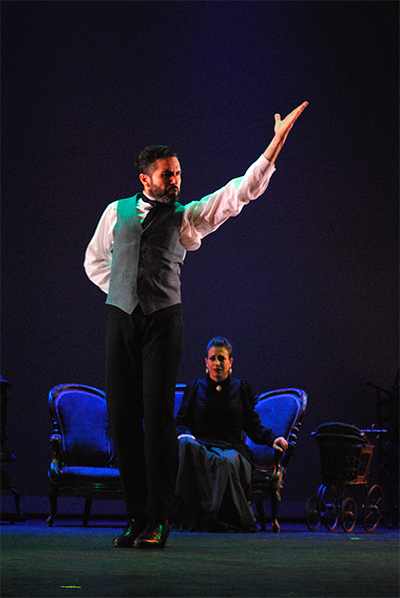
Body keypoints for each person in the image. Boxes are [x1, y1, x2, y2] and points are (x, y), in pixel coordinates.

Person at [84, 101, 308, 549]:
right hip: (121, 319)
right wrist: (127, 290)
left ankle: (159, 518)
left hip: (164, 322)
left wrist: (273, 148)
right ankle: (134, 516)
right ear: (145, 178)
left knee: (157, 420)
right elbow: (94, 263)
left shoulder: (185, 217)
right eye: (168, 174)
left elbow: (234, 196)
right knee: (124, 419)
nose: (176, 181)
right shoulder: (115, 212)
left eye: (179, 173)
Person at [173, 337, 288, 533]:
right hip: (202, 446)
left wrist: (272, 439)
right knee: (185, 446)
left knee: (224, 461)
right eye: (213, 358)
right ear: (206, 362)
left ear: (230, 362)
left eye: (222, 358)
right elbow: (181, 422)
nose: (217, 363)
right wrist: (184, 434)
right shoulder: (196, 388)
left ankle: (213, 514)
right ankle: (195, 514)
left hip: (232, 449)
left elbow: (253, 426)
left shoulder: (240, 389)